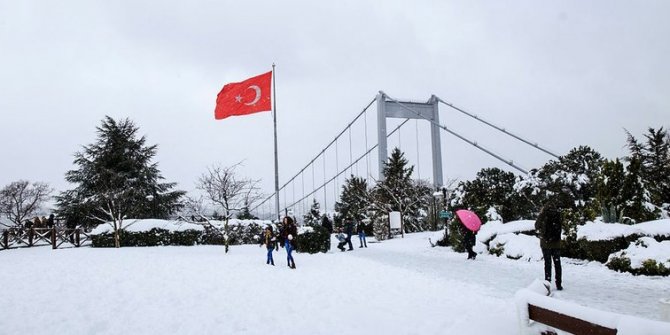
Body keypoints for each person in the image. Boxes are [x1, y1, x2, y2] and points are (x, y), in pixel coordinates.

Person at [535, 197, 564, 290]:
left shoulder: (543, 215)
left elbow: (536, 226)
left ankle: (547, 283)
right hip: (556, 243)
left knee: (547, 264)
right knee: (557, 263)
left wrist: (542, 233)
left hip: (545, 243)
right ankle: (558, 284)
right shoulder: (558, 214)